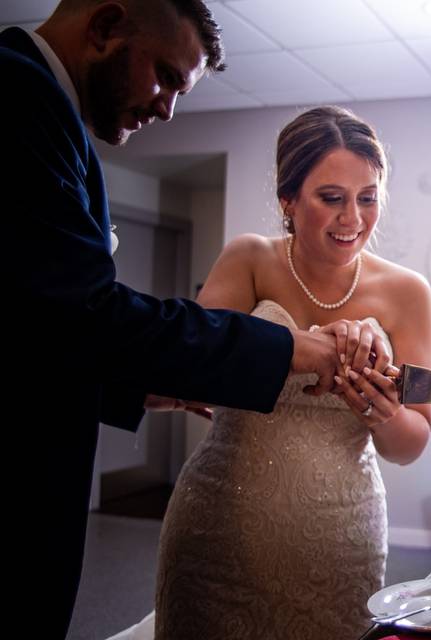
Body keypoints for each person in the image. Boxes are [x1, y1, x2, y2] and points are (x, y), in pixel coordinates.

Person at [1, 2, 344, 637]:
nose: (166, 109)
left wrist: (143, 386)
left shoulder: (57, 117)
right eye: (165, 76)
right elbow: (86, 313)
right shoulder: (17, 95)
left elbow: (29, 328)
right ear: (105, 27)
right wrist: (285, 348)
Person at [146, 105, 431, 638]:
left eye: (367, 198)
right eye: (332, 199)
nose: (353, 218)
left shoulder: (407, 292)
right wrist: (296, 347)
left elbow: (410, 443)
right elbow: (188, 369)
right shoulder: (249, 260)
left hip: (340, 535)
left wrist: (379, 409)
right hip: (218, 524)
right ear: (288, 200)